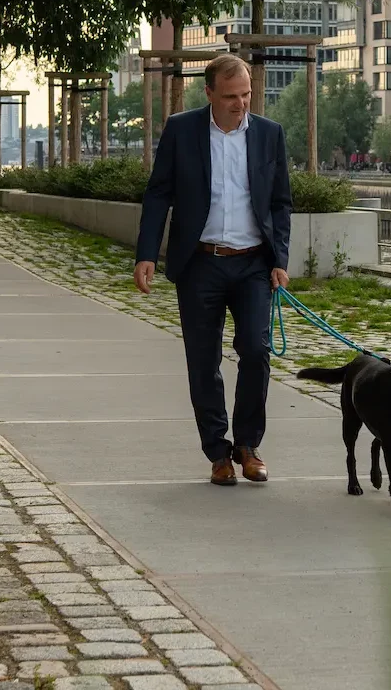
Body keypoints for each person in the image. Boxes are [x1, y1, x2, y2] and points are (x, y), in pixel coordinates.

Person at [134, 54, 292, 486]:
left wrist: (279, 260)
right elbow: (158, 194)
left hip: (253, 264)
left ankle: (248, 445)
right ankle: (218, 453)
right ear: (209, 94)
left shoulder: (270, 134)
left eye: (246, 95)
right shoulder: (182, 130)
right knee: (204, 362)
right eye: (230, 97)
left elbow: (280, 204)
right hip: (199, 263)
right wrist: (146, 254)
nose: (241, 104)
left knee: (256, 351)